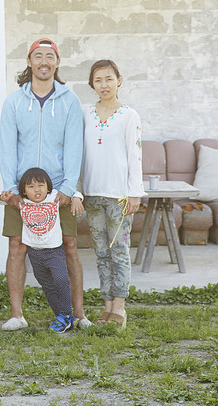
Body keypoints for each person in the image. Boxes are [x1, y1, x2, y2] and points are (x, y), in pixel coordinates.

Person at [0, 37, 89, 331]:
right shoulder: (13, 102)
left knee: (70, 247)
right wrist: (11, 189)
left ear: (57, 63)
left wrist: (67, 188)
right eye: (38, 56)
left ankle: (78, 314)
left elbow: (75, 147)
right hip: (22, 192)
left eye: (50, 56)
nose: (44, 62)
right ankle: (16, 315)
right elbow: (7, 147)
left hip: (58, 191)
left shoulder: (70, 101)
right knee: (16, 248)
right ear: (29, 62)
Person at [81, 59, 145, 328]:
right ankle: (106, 306)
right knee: (100, 252)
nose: (103, 85)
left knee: (119, 250)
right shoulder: (85, 113)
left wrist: (135, 193)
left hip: (119, 196)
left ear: (119, 80)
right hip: (92, 194)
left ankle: (119, 307)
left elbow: (135, 155)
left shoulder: (129, 115)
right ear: (92, 84)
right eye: (98, 80)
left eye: (109, 79)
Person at [0, 168, 81, 334]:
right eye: (31, 186)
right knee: (48, 286)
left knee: (61, 280)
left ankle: (66, 313)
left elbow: (76, 191)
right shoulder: (22, 202)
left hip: (54, 252)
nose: (37, 190)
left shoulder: (54, 198)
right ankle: (62, 317)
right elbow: (2, 199)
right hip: (35, 254)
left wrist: (78, 199)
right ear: (23, 191)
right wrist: (3, 197)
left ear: (48, 187)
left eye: (41, 185)